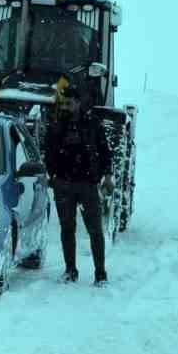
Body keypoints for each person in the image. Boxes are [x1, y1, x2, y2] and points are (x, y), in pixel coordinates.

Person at [42, 92, 112, 286]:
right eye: (63, 103)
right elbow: (47, 151)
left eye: (69, 103)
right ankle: (70, 270)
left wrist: (108, 175)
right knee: (67, 228)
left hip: (88, 184)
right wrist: (52, 175)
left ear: (78, 102)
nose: (65, 106)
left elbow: (105, 150)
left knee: (95, 230)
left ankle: (100, 273)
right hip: (63, 184)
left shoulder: (92, 123)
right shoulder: (56, 125)